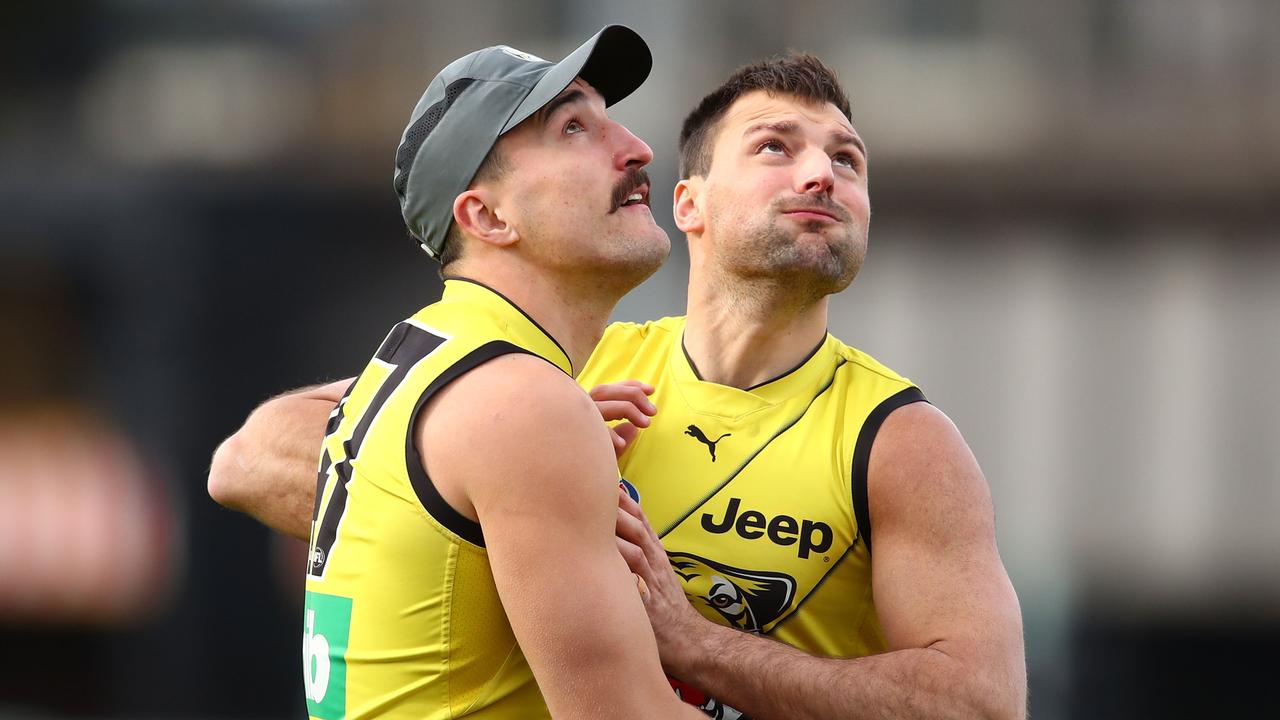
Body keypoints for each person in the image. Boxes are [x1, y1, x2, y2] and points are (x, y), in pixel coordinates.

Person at [211, 52, 1026, 720]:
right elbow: (246, 460)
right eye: (776, 147)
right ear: (688, 204)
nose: (822, 174)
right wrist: (500, 483)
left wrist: (703, 646)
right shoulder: (544, 384)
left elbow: (983, 708)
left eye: (847, 160)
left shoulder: (898, 440)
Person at [259, 25, 704, 720]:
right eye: (573, 129)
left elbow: (234, 464)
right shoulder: (522, 404)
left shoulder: (419, 355)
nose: (637, 149)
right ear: (487, 216)